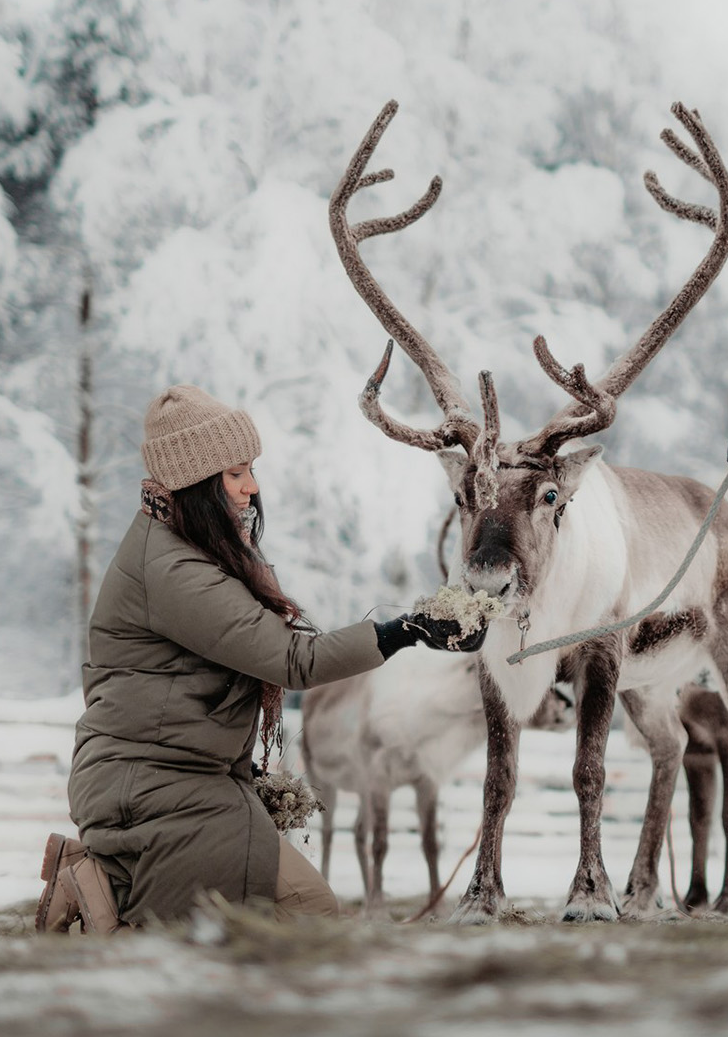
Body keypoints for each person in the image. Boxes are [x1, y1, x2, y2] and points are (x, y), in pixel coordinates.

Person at [37, 385, 479, 932]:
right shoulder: (173, 570)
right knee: (236, 930)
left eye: (251, 470)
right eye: (235, 473)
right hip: (152, 786)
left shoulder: (189, 544)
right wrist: (403, 631)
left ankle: (107, 881)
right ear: (196, 482)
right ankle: (99, 886)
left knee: (291, 917)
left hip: (182, 779)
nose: (252, 487)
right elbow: (293, 660)